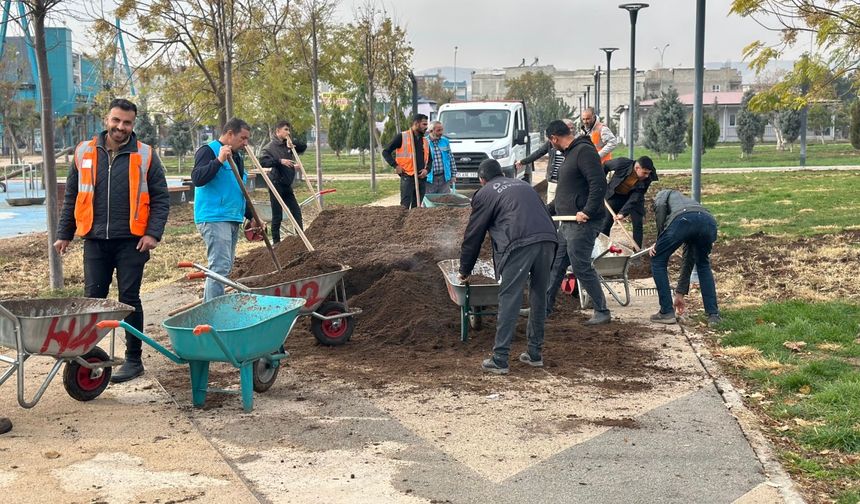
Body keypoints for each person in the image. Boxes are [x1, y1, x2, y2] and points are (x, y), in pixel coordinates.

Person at [55, 98, 170, 383]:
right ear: (107, 119)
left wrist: (152, 233)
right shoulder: (84, 152)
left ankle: (133, 359)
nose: (121, 127)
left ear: (134, 123)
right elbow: (72, 196)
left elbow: (161, 198)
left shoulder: (145, 155)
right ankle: (87, 357)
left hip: (132, 242)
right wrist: (64, 234)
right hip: (95, 240)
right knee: (93, 300)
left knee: (128, 299)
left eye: (127, 122)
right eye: (116, 120)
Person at [459, 159, 557, 375]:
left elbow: (473, 235)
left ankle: (500, 359)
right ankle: (534, 354)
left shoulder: (484, 193)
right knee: (539, 296)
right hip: (548, 239)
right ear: (502, 173)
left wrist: (464, 270)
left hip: (518, 243)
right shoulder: (523, 185)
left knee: (510, 297)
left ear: (482, 179)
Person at [545, 120, 610, 325]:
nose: (551, 145)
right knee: (557, 265)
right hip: (567, 223)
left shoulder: (583, 152)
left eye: (550, 142)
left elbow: (598, 184)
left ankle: (602, 311)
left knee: (580, 265)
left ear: (554, 138)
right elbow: (567, 192)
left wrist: (587, 212)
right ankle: (543, 308)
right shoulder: (569, 155)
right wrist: (545, 210)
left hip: (581, 223)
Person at [192, 118, 253, 302]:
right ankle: (214, 313)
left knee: (224, 268)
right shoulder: (208, 151)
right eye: (242, 138)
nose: (245, 143)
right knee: (219, 267)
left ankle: (209, 307)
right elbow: (197, 178)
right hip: (214, 217)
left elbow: (238, 189)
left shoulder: (237, 157)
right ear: (229, 134)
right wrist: (218, 160)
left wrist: (251, 216)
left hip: (232, 217)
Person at [648, 189, 721, 327]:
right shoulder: (687, 202)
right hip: (708, 221)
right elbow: (688, 258)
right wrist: (679, 294)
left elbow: (661, 216)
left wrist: (659, 241)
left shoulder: (661, 196)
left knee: (658, 259)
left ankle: (666, 312)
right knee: (703, 264)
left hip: (682, 221)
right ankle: (713, 315)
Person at [258, 120, 308, 242]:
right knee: (277, 215)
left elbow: (303, 147)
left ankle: (300, 239)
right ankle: (276, 243)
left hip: (287, 184)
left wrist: (293, 145)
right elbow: (263, 161)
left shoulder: (288, 144)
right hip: (276, 183)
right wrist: (280, 161)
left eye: (289, 130)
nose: (288, 132)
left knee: (296, 211)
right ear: (278, 131)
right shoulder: (270, 147)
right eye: (285, 129)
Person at [601, 156, 658, 248]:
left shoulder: (648, 177)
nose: (647, 176)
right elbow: (605, 166)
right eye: (644, 173)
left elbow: (636, 196)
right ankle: (602, 247)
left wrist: (622, 213)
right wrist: (601, 183)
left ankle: (637, 249)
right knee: (606, 222)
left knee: (637, 223)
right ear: (637, 168)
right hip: (616, 194)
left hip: (634, 197)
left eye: (648, 173)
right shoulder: (621, 163)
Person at [516, 118, 576, 205]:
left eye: (572, 128)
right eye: (568, 128)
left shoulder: (576, 145)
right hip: (553, 181)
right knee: (551, 206)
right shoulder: (551, 143)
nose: (570, 130)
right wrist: (523, 161)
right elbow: (538, 153)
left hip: (567, 183)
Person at [382, 114, 431, 208]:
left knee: (417, 207)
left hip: (421, 178)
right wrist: (395, 165)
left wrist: (426, 170)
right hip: (407, 177)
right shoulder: (402, 137)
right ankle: (402, 222)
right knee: (404, 207)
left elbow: (430, 160)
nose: (426, 127)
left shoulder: (425, 141)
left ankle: (413, 222)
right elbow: (385, 152)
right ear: (416, 124)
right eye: (424, 124)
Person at [425, 121, 457, 194]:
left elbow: (451, 158)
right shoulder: (424, 142)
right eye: (438, 130)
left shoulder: (445, 141)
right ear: (431, 131)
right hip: (430, 179)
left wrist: (453, 175)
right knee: (430, 202)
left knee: (445, 202)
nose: (441, 132)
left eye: (442, 130)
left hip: (444, 179)